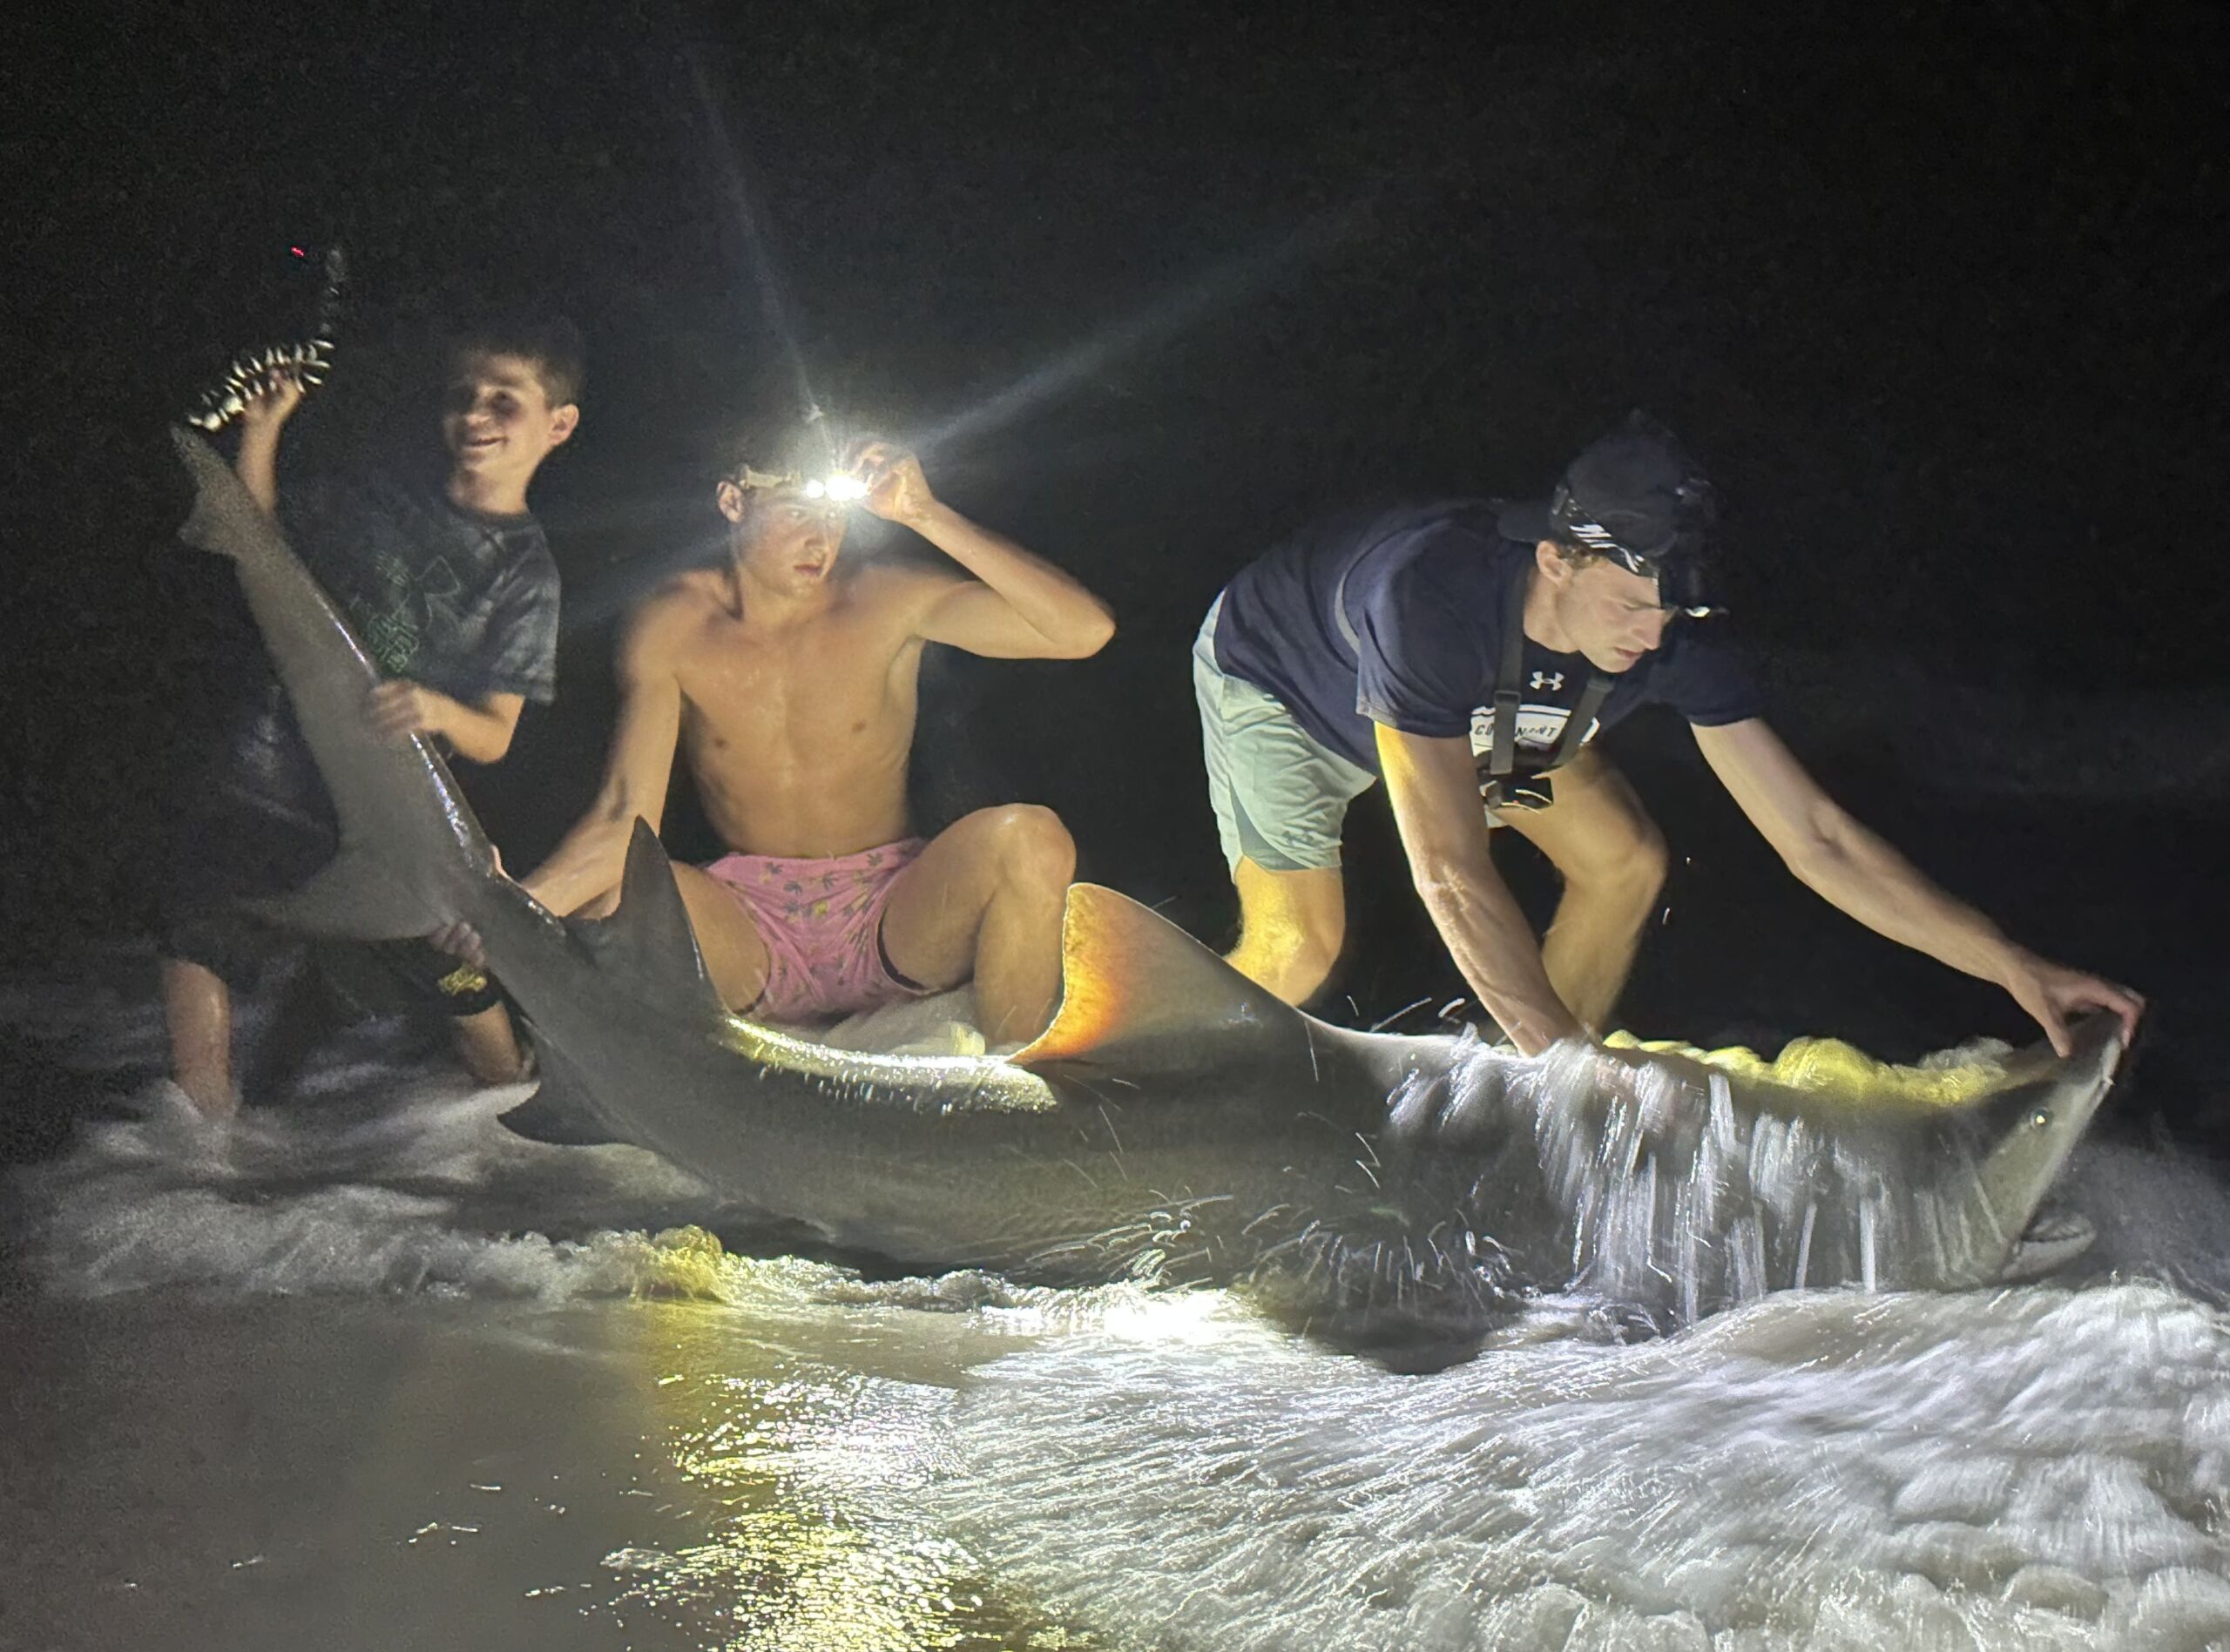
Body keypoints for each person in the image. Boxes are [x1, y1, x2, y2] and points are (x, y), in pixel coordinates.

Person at [1193, 410, 2144, 1056]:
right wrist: (1575, 1068)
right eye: (1629, 606)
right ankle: (1145, 1067)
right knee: (1301, 951)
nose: (1649, 639)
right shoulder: (1428, 596)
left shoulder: (1665, 633)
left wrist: (2011, 965)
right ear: (1558, 559)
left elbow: (1815, 838)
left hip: (1494, 705)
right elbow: (1446, 867)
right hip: (1290, 683)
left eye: (1668, 614)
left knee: (1625, 859)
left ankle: (1511, 1092)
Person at [518, 423, 1114, 1050]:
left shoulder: (885, 597)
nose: (820, 539)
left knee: (1031, 840)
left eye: (833, 515)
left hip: (892, 912)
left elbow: (1081, 632)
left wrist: (926, 514)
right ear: (733, 501)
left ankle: (1017, 1082)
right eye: (797, 511)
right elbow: (623, 819)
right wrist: (510, 908)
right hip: (749, 924)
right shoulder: (673, 624)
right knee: (604, 908)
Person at [159, 312, 584, 1116]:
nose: (477, 416)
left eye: (506, 402)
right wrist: (262, 431)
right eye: (465, 396)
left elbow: (493, 737)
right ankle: (195, 1143)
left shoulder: (529, 574)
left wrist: (437, 709)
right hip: (279, 764)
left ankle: (504, 1130)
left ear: (557, 425)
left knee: (471, 999)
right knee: (201, 918)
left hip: (404, 812)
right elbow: (259, 544)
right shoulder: (382, 497)